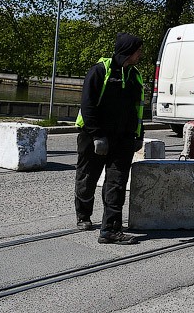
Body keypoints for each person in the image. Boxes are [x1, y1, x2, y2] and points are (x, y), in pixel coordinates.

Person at [74, 33, 145, 245]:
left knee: (117, 183)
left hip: (123, 139)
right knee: (88, 178)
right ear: (128, 52)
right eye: (138, 50)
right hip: (94, 137)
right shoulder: (99, 72)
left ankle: (110, 229)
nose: (141, 54)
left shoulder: (134, 76)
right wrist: (97, 135)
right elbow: (87, 106)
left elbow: (137, 110)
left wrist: (139, 135)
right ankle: (83, 215)